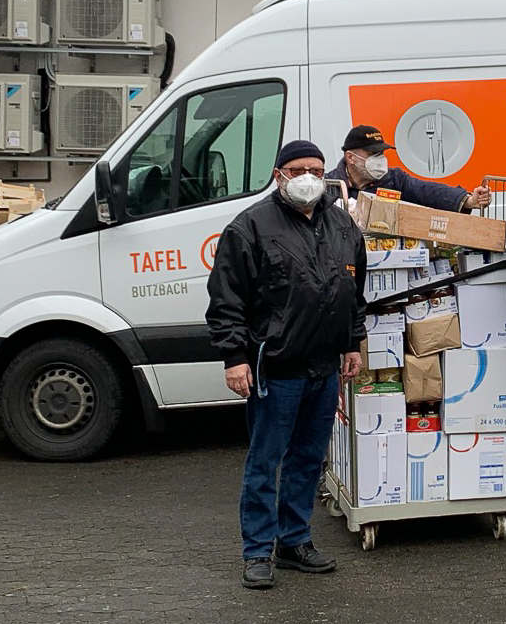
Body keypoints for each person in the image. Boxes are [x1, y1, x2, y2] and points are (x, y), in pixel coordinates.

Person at [207, 139, 368, 589]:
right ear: (279, 175)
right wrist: (233, 357)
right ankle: (257, 550)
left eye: (315, 169)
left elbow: (353, 292)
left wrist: (352, 342)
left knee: (309, 459)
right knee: (266, 461)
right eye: (297, 169)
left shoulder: (341, 225)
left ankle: (294, 540)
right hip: (274, 366)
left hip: (324, 366)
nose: (307, 178)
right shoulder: (250, 227)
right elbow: (227, 299)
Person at [327, 124, 491, 212]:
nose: (380, 160)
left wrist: (468, 200)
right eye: (373, 154)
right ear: (351, 158)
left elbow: (426, 190)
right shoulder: (330, 186)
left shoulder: (393, 179)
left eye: (382, 153)